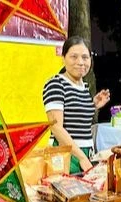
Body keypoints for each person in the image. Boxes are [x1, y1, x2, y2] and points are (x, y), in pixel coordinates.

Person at [43, 36, 111, 174]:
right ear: (63, 58)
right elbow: (56, 127)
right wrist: (80, 157)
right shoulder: (56, 84)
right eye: (74, 57)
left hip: (86, 153)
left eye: (85, 57)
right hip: (66, 155)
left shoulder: (83, 87)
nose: (80, 62)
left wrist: (93, 105)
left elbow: (77, 120)